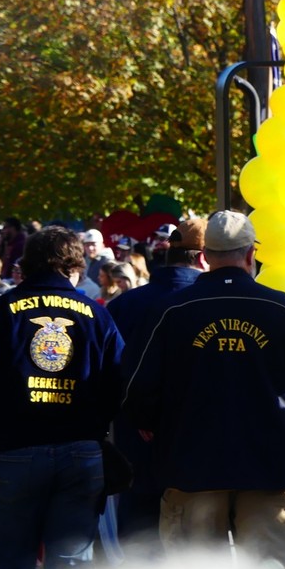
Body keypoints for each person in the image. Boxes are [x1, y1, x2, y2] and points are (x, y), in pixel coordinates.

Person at [122, 211, 285, 569]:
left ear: (205, 257)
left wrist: (152, 426)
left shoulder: (170, 311)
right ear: (251, 254)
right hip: (272, 469)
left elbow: (134, 387)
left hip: (192, 468)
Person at [0, 226, 125, 569]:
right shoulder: (96, 315)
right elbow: (119, 381)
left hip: (15, 448)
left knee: (13, 560)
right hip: (80, 448)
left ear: (26, 265)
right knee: (71, 563)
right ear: (74, 267)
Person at [108, 218, 208, 546]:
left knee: (140, 548)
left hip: (136, 448)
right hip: (199, 449)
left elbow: (109, 375)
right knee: (196, 551)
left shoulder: (125, 304)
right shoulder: (209, 304)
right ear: (204, 257)